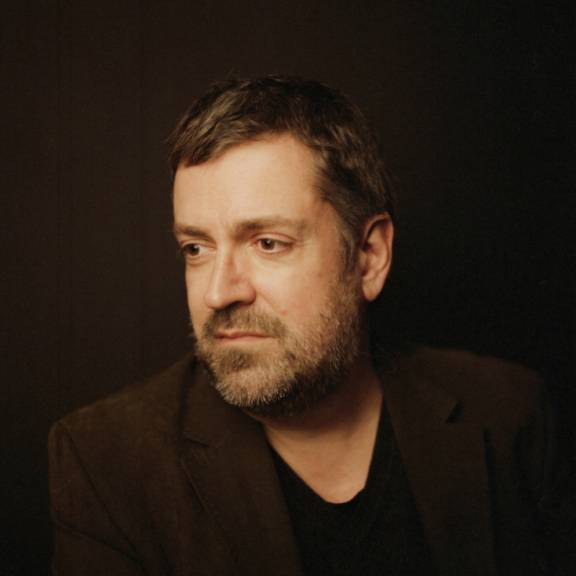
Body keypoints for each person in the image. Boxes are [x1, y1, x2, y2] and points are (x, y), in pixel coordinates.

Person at [49, 76, 574, 575]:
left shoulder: (510, 414)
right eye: (196, 248)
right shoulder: (106, 461)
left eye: (268, 243)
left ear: (369, 257)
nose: (218, 293)